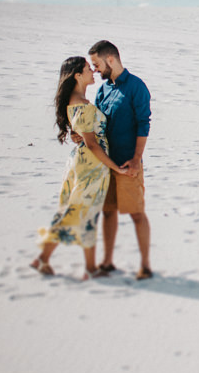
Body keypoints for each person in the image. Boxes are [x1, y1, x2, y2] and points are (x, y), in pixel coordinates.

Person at [32, 56, 129, 280]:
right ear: (77, 75)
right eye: (87, 68)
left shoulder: (79, 101)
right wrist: (116, 168)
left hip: (86, 162)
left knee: (84, 214)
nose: (92, 71)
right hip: (90, 165)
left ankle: (87, 267)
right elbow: (93, 144)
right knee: (78, 213)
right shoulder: (81, 105)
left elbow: (87, 136)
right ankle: (47, 259)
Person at [88, 40, 154, 279]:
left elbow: (143, 123)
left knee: (136, 213)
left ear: (111, 59)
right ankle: (107, 262)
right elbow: (97, 124)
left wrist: (137, 159)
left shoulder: (137, 86)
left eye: (96, 64)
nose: (94, 69)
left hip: (128, 164)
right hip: (106, 164)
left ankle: (145, 265)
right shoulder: (103, 90)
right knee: (108, 212)